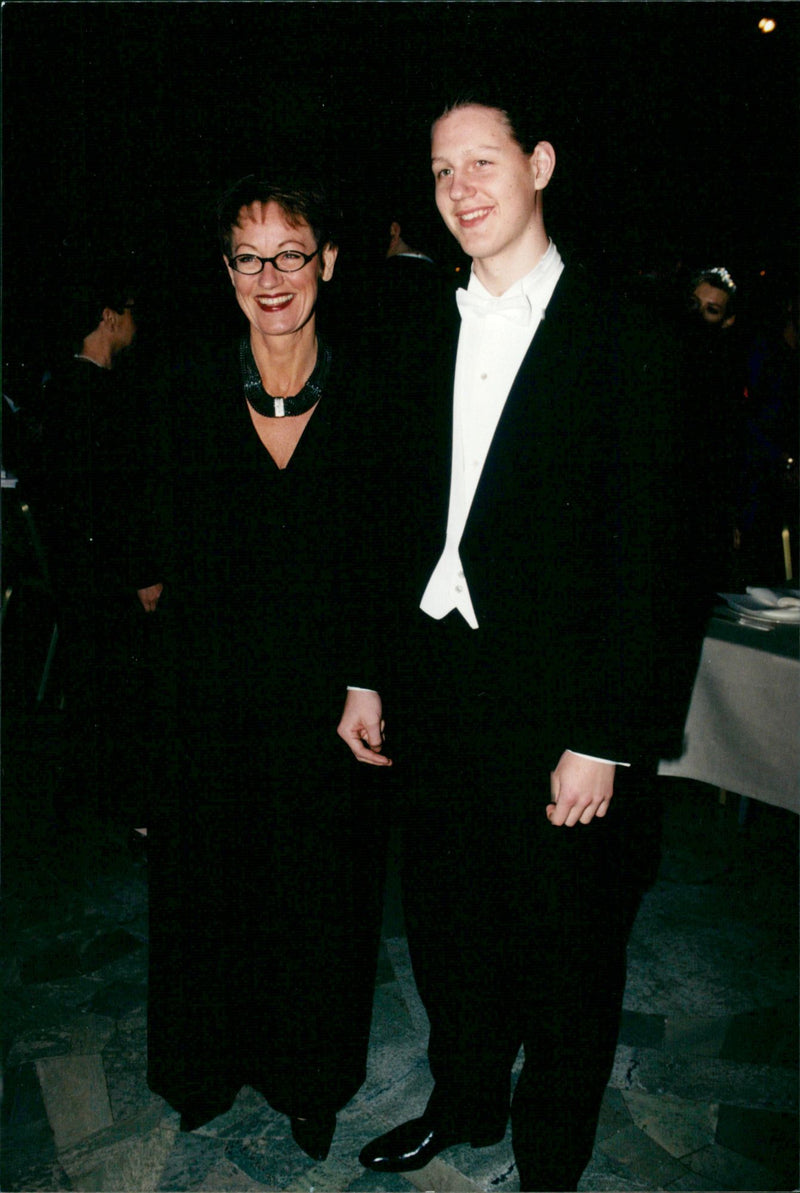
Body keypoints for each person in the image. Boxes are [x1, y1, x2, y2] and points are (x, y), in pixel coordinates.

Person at [339, 92, 704, 1191]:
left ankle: (550, 1154)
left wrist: (605, 731)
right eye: (442, 168)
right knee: (449, 930)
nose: (460, 187)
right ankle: (463, 1099)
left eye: (483, 161)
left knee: (566, 952)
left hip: (562, 704)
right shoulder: (410, 328)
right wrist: (366, 668)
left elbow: (660, 555)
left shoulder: (629, 332)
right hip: (437, 689)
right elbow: (388, 519)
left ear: (539, 163)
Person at [144, 173, 388, 1159]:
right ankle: (204, 1067)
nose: (272, 275)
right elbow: (151, 554)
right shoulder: (180, 387)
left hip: (331, 699)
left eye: (291, 252)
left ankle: (310, 1078)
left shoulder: (377, 393)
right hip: (208, 692)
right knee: (207, 885)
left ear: (326, 261)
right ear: (226, 272)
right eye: (249, 256)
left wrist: (371, 680)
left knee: (322, 894)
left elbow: (395, 556)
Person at [35, 270, 155, 837]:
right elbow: (116, 504)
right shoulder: (102, 397)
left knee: (92, 683)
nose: (135, 321)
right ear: (109, 317)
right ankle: (134, 806)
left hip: (75, 576)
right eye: (128, 310)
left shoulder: (60, 389)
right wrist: (144, 574)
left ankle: (84, 798)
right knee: (135, 675)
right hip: (107, 579)